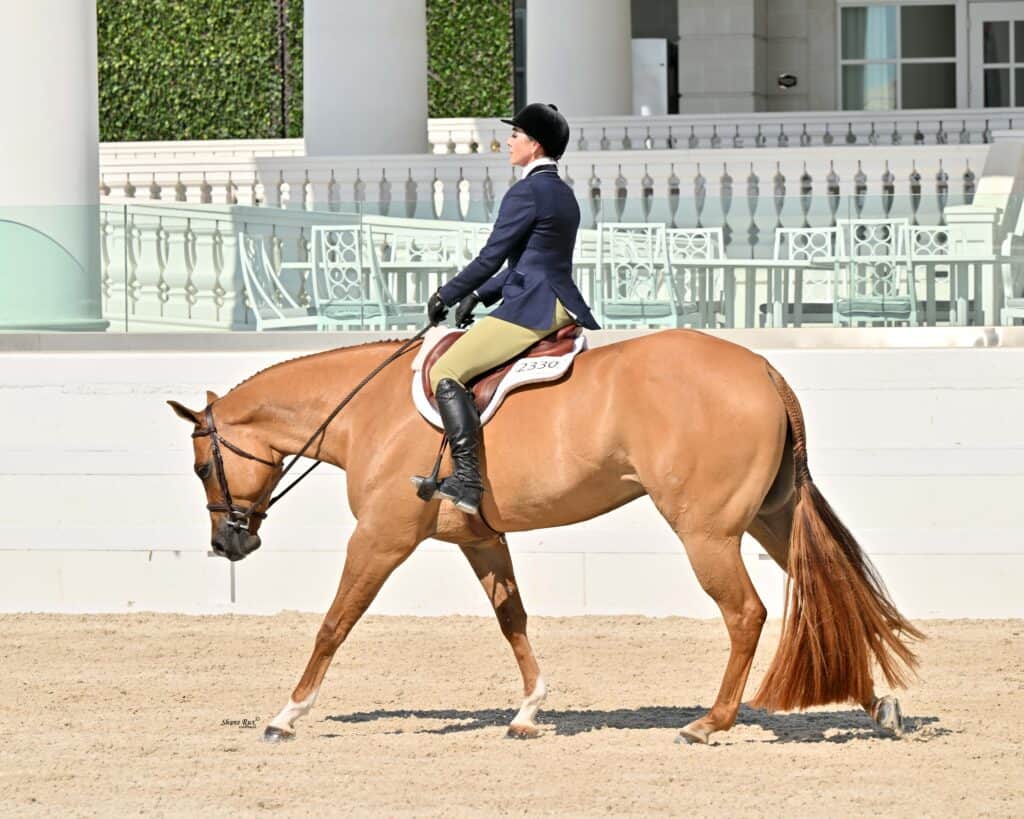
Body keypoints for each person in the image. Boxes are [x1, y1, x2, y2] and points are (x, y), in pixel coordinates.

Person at [413, 102, 600, 515]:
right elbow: (533, 262)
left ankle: (466, 479)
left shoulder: (527, 191)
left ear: (534, 145)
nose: (508, 142)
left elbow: (490, 258)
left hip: (533, 308)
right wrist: (480, 296)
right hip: (551, 298)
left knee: (446, 370)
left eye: (515, 135)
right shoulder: (562, 193)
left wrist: (447, 293)